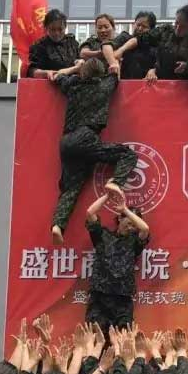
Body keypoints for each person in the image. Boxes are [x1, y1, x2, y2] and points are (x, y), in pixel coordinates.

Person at [50, 58, 138, 244]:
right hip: (87, 137)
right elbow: (115, 70)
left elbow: (56, 75)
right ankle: (116, 182)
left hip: (67, 141)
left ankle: (58, 225)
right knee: (127, 154)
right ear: (100, 73)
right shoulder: (104, 86)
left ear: (83, 72)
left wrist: (75, 67)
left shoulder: (73, 85)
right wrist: (114, 64)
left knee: (71, 188)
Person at [85, 190, 150, 334]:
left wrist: (125, 210)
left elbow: (145, 228)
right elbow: (90, 213)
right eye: (129, 222)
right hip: (99, 297)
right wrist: (108, 195)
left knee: (123, 339)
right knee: (95, 337)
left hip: (123, 299)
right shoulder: (102, 235)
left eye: (134, 225)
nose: (131, 227)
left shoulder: (134, 242)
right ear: (120, 219)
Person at [141, 4, 188, 81]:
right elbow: (140, 40)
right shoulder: (166, 32)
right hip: (162, 83)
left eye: (183, 26)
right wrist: (153, 70)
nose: (178, 28)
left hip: (186, 84)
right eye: (176, 23)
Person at [26, 9, 79, 79]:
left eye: (60, 29)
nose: (57, 33)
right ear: (46, 28)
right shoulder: (38, 46)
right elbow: (31, 71)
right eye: (52, 29)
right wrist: (46, 73)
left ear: (65, 27)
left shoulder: (72, 42)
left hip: (74, 82)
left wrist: (80, 62)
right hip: (49, 82)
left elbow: (80, 60)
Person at [112, 11, 158, 80]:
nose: (140, 28)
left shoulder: (154, 47)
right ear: (134, 24)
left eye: (144, 27)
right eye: (138, 25)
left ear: (151, 30)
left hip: (145, 85)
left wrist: (154, 70)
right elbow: (109, 47)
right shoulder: (124, 37)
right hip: (123, 84)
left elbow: (161, 65)